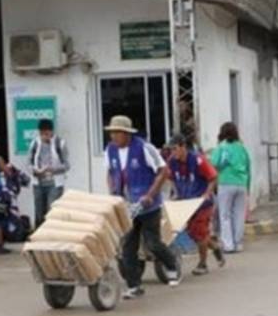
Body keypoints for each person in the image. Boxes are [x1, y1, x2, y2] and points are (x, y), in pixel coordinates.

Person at [104, 115, 179, 299]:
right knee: (128, 246)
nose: (113, 136)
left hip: (148, 205)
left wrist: (151, 194)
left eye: (117, 133)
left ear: (126, 134)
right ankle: (134, 286)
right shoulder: (110, 150)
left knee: (152, 243)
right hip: (127, 206)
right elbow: (110, 173)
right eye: (111, 133)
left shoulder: (144, 148)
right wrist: (113, 191)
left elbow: (163, 171)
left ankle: (171, 265)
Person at [167, 133, 224, 275]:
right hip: (186, 203)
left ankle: (203, 264)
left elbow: (213, 177)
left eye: (175, 149)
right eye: (171, 150)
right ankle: (215, 247)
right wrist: (175, 193)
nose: (173, 153)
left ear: (183, 147)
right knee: (193, 233)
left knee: (199, 231)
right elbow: (170, 177)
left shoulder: (198, 160)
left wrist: (207, 193)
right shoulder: (172, 162)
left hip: (202, 203)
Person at [210, 122, 252, 253]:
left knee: (225, 215)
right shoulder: (242, 148)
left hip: (226, 183)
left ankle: (228, 245)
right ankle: (238, 243)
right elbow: (248, 167)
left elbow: (213, 164)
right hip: (242, 184)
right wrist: (248, 186)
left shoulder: (221, 148)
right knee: (239, 215)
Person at [27, 119, 70, 228]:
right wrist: (36, 170)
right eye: (41, 133)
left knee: (52, 210)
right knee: (39, 211)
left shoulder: (60, 143)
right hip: (38, 182)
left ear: (51, 131)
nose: (44, 136)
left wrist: (53, 169)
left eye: (46, 133)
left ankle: (52, 234)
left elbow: (67, 165)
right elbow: (29, 163)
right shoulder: (35, 144)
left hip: (54, 183)